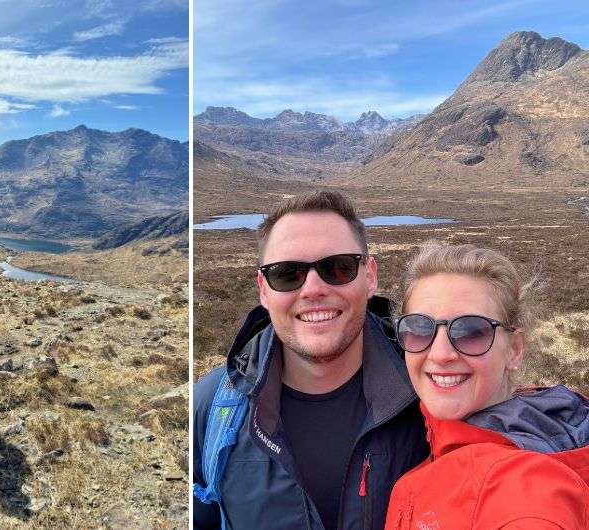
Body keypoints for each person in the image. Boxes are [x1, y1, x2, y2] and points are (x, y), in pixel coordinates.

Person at [193, 191, 429, 529]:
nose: (313, 289)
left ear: (370, 276)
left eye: (338, 267)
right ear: (263, 289)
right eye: (287, 273)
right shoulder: (215, 408)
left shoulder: (429, 394)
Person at [386, 242, 589, 529]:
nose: (441, 354)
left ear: (515, 349)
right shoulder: (437, 438)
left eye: (471, 331)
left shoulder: (526, 483)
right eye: (419, 328)